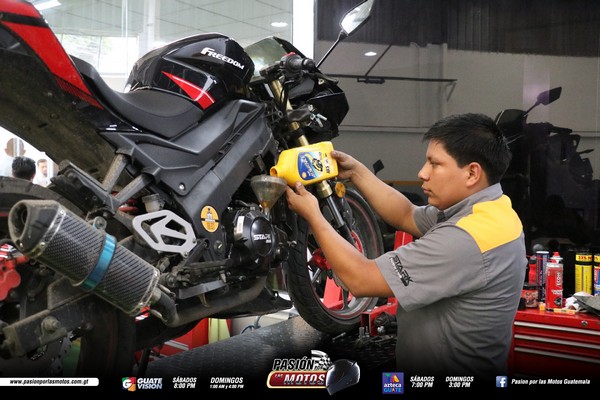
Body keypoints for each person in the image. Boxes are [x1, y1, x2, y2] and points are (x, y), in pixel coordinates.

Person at [285, 113, 527, 383]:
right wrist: (356, 172)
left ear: (472, 173)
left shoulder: (467, 238)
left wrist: (314, 215)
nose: (422, 173)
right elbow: (407, 214)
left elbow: (361, 279)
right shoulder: (491, 211)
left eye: (435, 164)